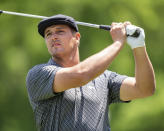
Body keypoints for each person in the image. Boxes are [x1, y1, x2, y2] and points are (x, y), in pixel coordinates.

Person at [26, 14, 156, 131]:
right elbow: (81, 75)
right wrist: (118, 42)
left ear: (77, 38)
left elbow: (144, 89)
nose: (53, 37)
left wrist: (138, 46)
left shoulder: (104, 78)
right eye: (48, 34)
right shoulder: (39, 74)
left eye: (59, 31)